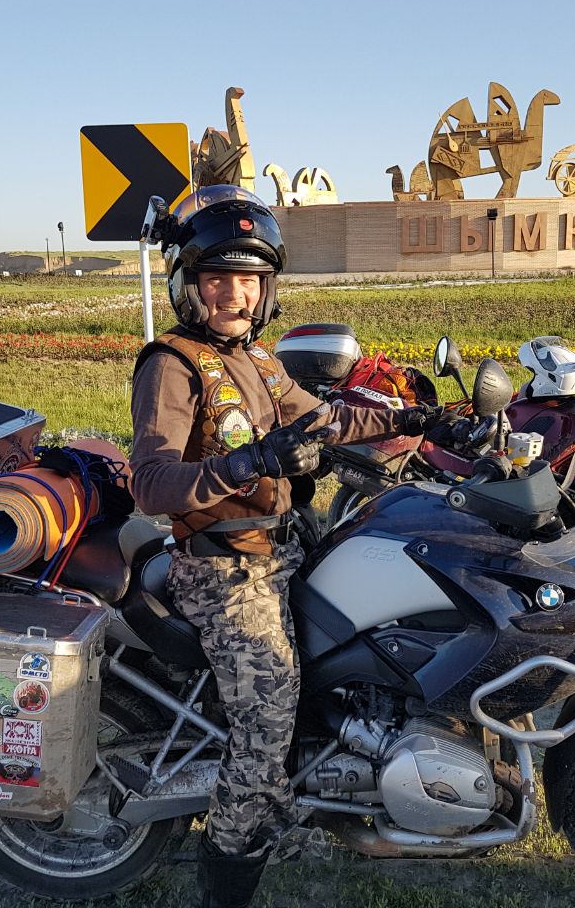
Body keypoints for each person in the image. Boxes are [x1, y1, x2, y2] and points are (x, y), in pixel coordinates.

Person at [128, 186, 444, 908]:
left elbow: (325, 421)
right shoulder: (172, 364)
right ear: (188, 285)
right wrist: (251, 462)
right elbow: (151, 482)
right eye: (218, 279)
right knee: (264, 733)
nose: (234, 295)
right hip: (224, 572)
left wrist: (419, 419)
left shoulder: (260, 361)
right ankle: (227, 875)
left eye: (249, 280)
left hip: (285, 549)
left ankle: (320, 796)